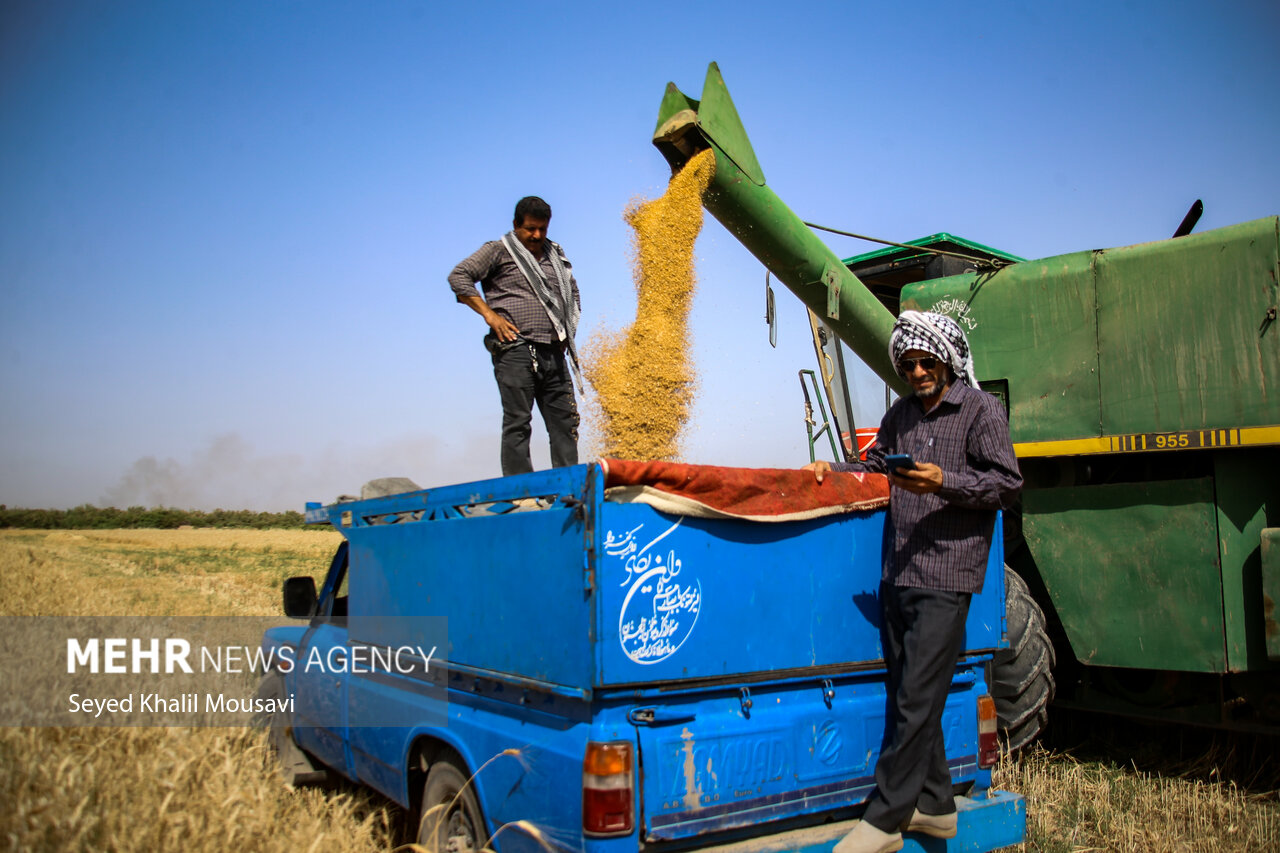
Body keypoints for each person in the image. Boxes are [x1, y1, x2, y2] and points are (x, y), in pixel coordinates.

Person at [806, 311, 1021, 853]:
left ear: (948, 359)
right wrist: (834, 469)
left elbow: (1006, 484)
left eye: (928, 362)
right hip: (899, 570)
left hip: (948, 574)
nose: (919, 371)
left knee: (915, 701)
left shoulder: (981, 411)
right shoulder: (901, 413)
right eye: (909, 364)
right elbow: (873, 461)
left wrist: (943, 482)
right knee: (910, 693)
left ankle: (883, 820)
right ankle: (936, 806)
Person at [448, 196, 582, 476]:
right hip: (516, 349)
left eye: (542, 229)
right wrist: (490, 315)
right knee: (519, 420)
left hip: (554, 351)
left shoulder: (554, 255)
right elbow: (459, 276)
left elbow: (572, 292)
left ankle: (568, 488)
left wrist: (567, 330)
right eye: (530, 229)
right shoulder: (498, 251)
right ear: (515, 225)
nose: (537, 235)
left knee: (565, 422)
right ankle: (520, 491)